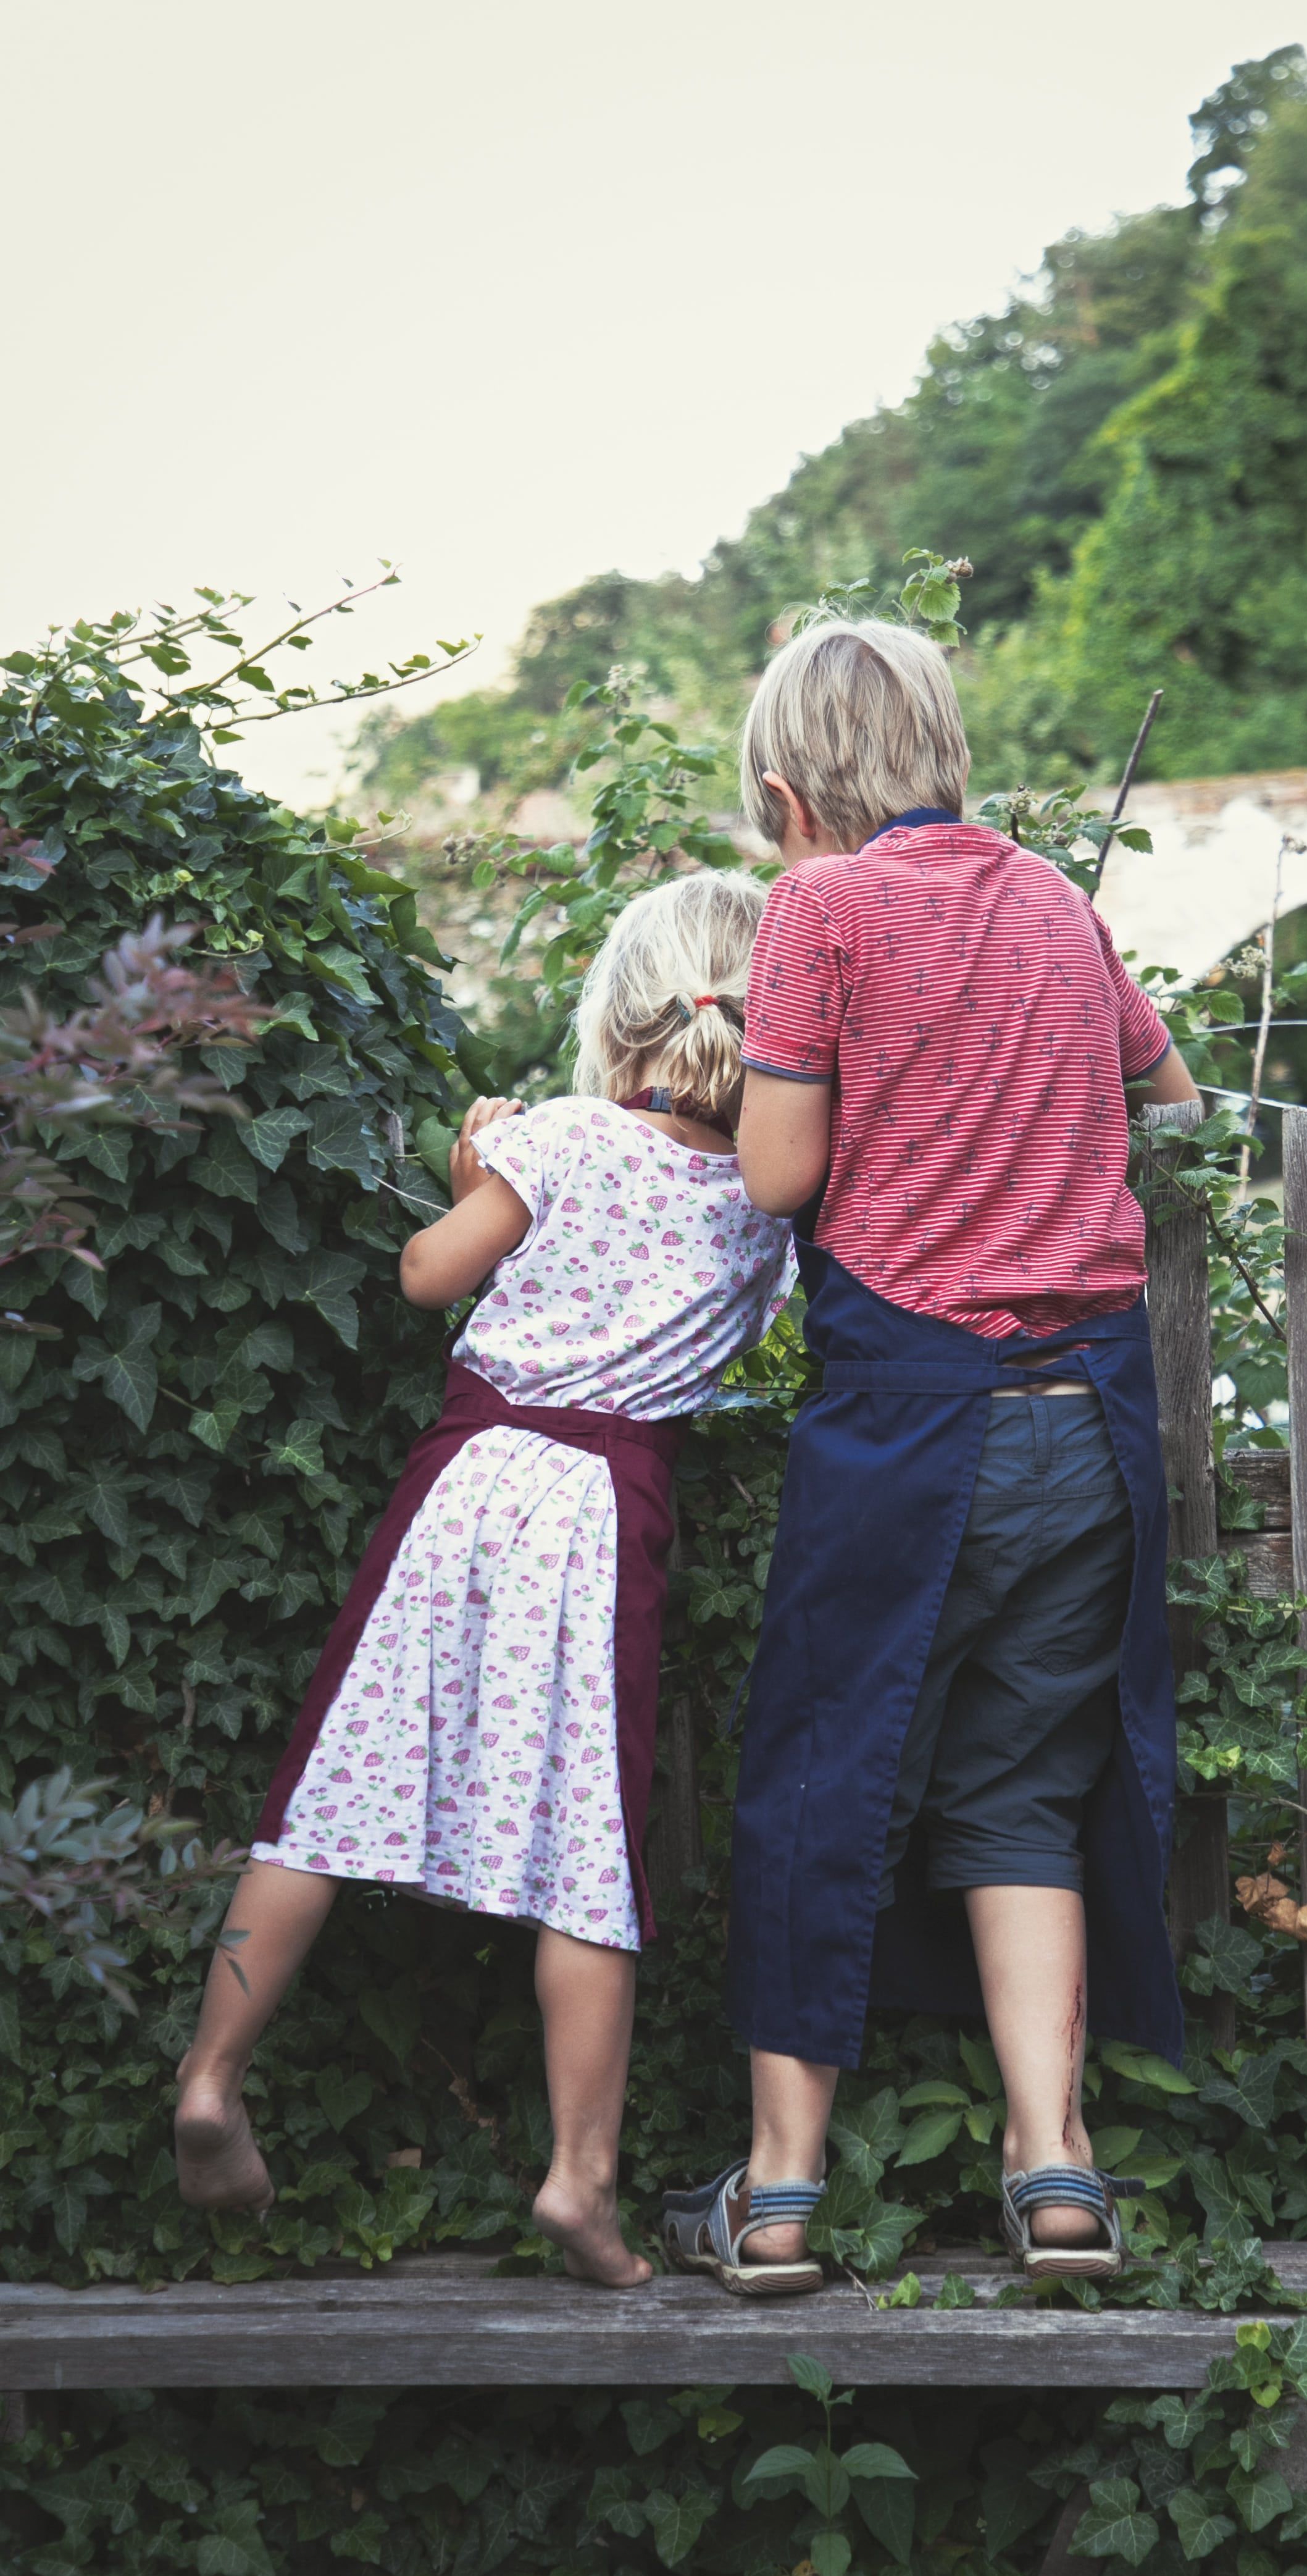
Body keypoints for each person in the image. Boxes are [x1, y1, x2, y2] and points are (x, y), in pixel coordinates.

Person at [662, 618, 1200, 2299]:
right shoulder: (1049, 896)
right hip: (1090, 1422)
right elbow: (1166, 1092)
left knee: (822, 1775)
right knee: (1018, 1791)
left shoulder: (814, 909)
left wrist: (760, 1033)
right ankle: (1055, 2175)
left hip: (912, 1421)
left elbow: (771, 1175)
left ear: (782, 794)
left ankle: (775, 2195)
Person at [173, 870, 793, 2288]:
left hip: (467, 1488)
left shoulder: (560, 1137)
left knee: (330, 1794)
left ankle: (212, 2074)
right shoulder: (765, 1207)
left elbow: (423, 1277)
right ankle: (579, 2181)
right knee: (589, 1854)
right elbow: (733, 1349)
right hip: (604, 1511)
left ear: (621, 1019)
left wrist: (469, 1188)